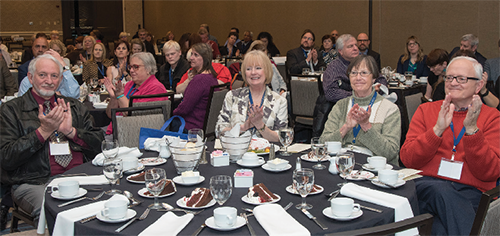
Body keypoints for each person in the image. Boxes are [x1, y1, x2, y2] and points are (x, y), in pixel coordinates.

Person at [0, 54, 104, 227]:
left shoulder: (75, 107)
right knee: (53, 212)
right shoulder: (11, 110)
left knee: (114, 203)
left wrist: (71, 132)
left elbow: (100, 145)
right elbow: (6, 158)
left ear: (61, 79)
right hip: (36, 181)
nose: (49, 80)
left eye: (54, 76)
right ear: (30, 77)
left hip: (81, 176)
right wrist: (43, 132)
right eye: (42, 75)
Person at [400, 56, 500, 236]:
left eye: (461, 79)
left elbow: (490, 172)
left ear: (478, 86)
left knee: (438, 229)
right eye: (449, 77)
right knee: (440, 189)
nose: (453, 83)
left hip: (470, 194)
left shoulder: (493, 118)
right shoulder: (426, 110)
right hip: (425, 186)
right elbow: (407, 159)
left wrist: (472, 131)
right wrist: (437, 130)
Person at [320, 55, 400, 164]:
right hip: (342, 164)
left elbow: (390, 153)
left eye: (364, 73)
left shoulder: (389, 109)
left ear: (374, 78)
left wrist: (366, 126)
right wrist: (346, 127)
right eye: (353, 73)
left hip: (374, 169)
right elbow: (322, 143)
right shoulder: (341, 105)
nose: (358, 78)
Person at [216, 50, 288, 142]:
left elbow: (282, 137)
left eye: (258, 68)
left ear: (267, 71)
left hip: (267, 154)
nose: (253, 72)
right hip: (236, 152)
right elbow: (218, 131)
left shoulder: (279, 101)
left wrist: (260, 126)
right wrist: (243, 128)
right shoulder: (233, 96)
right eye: (248, 69)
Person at [104, 52, 168, 133]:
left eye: (135, 67)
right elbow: (110, 114)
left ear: (148, 69)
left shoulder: (155, 88)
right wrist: (113, 98)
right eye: (130, 67)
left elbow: (133, 114)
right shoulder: (129, 85)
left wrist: (120, 96)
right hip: (114, 130)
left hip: (132, 135)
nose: (131, 70)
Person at [323, 34, 387, 103]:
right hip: (345, 107)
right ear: (340, 51)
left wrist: (377, 89)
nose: (355, 48)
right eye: (350, 46)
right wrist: (359, 95)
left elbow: (381, 79)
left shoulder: (365, 61)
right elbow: (331, 93)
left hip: (369, 103)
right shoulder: (333, 67)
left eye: (356, 45)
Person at [173, 43, 219, 131]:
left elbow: (184, 109)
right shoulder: (212, 77)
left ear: (204, 59)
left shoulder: (199, 80)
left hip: (191, 126)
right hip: (205, 126)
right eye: (192, 54)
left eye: (196, 55)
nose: (191, 58)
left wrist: (171, 112)